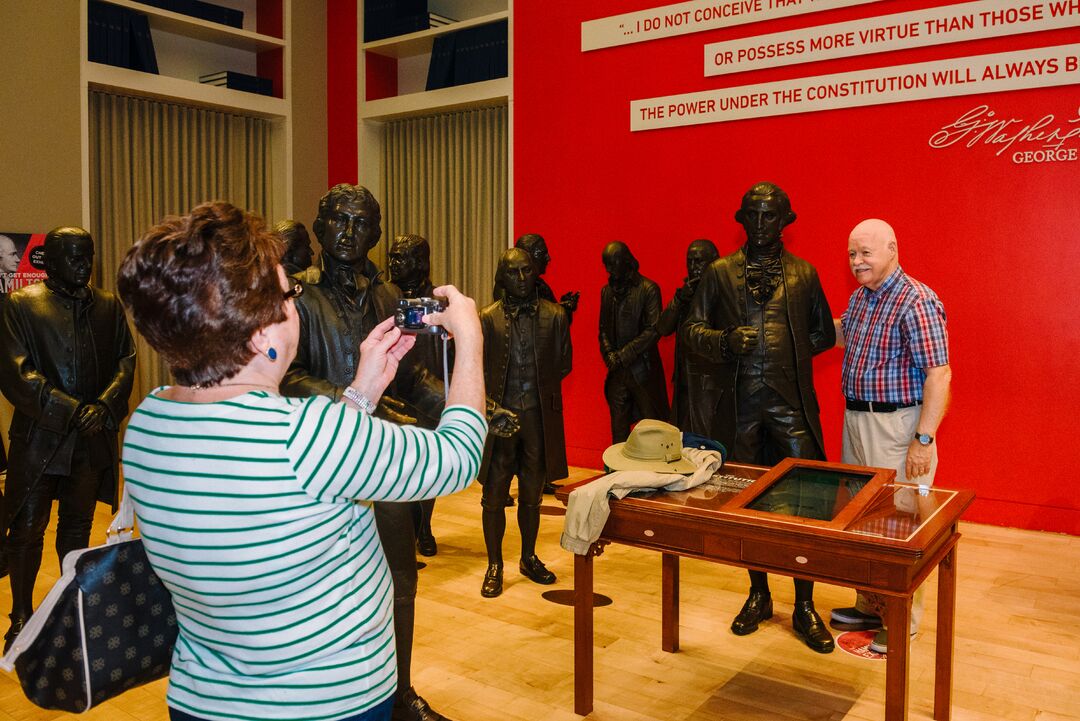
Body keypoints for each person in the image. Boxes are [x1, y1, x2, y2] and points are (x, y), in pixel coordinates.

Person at [115, 201, 487, 721]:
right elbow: (460, 456)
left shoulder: (147, 423)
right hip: (328, 702)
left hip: (205, 698)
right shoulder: (308, 436)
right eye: (289, 293)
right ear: (263, 334)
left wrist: (361, 392)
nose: (296, 300)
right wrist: (470, 340)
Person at [280, 184, 517, 721]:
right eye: (337, 220)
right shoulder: (297, 297)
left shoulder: (387, 298)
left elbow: (413, 380)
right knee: (326, 586)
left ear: (376, 235)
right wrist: (355, 404)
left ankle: (399, 692)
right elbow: (288, 375)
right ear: (318, 227)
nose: (347, 232)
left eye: (360, 223)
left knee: (399, 582)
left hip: (381, 463)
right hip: (318, 463)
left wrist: (477, 410)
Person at [683, 182, 836, 653]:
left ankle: (805, 605)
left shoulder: (805, 274)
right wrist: (725, 342)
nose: (762, 224)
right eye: (753, 215)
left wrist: (787, 358)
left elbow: (824, 333)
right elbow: (691, 331)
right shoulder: (719, 273)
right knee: (748, 504)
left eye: (771, 216)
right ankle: (758, 594)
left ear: (786, 220)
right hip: (741, 407)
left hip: (791, 407)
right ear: (741, 219)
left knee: (806, 508)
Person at [0, 227, 136, 652]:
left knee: (76, 528)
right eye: (74, 256)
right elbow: (16, 373)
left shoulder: (108, 305)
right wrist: (72, 409)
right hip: (41, 439)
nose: (83, 264)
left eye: (88, 255)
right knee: (27, 528)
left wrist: (106, 404)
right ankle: (21, 613)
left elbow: (125, 361)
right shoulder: (20, 304)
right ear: (49, 260)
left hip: (88, 440)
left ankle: (66, 608)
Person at [830, 218, 951, 654]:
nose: (857, 262)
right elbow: (846, 334)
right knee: (862, 517)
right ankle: (870, 605)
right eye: (851, 254)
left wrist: (924, 440)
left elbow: (939, 373)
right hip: (857, 421)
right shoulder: (862, 298)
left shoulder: (916, 300)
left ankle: (902, 622)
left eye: (865, 253)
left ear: (892, 249)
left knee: (902, 524)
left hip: (898, 426)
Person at [477, 248, 572, 597]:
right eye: (513, 272)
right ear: (501, 277)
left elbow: (563, 364)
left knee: (532, 495)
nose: (520, 279)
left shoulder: (556, 315)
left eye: (526, 271)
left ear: (536, 273)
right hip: (501, 421)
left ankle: (528, 556)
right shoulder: (487, 318)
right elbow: (479, 368)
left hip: (538, 419)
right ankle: (494, 564)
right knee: (494, 495)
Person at [387, 233, 446, 556]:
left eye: (401, 258)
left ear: (420, 262)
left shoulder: (437, 301)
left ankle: (424, 528)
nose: (393, 263)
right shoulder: (384, 295)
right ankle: (405, 531)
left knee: (426, 469)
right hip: (393, 392)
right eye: (392, 257)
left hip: (429, 394)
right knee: (398, 469)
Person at [599, 241, 669, 444]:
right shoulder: (607, 292)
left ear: (626, 261)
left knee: (652, 430)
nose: (609, 270)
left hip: (642, 372)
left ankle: (652, 474)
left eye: (613, 264)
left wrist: (623, 355)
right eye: (606, 265)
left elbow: (654, 330)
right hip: (617, 373)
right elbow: (602, 329)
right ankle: (617, 474)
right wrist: (609, 354)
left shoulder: (648, 289)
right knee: (618, 431)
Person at [656, 238, 719, 433]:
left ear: (714, 261)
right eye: (689, 261)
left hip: (711, 384)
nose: (693, 267)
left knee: (708, 443)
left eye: (699, 261)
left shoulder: (723, 292)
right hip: (684, 381)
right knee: (681, 441)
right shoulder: (684, 294)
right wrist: (679, 299)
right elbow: (662, 328)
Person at [493, 233, 580, 323]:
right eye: (542, 253)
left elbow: (556, 325)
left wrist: (565, 309)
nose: (548, 258)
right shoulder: (506, 286)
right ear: (527, 256)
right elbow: (506, 320)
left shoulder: (542, 286)